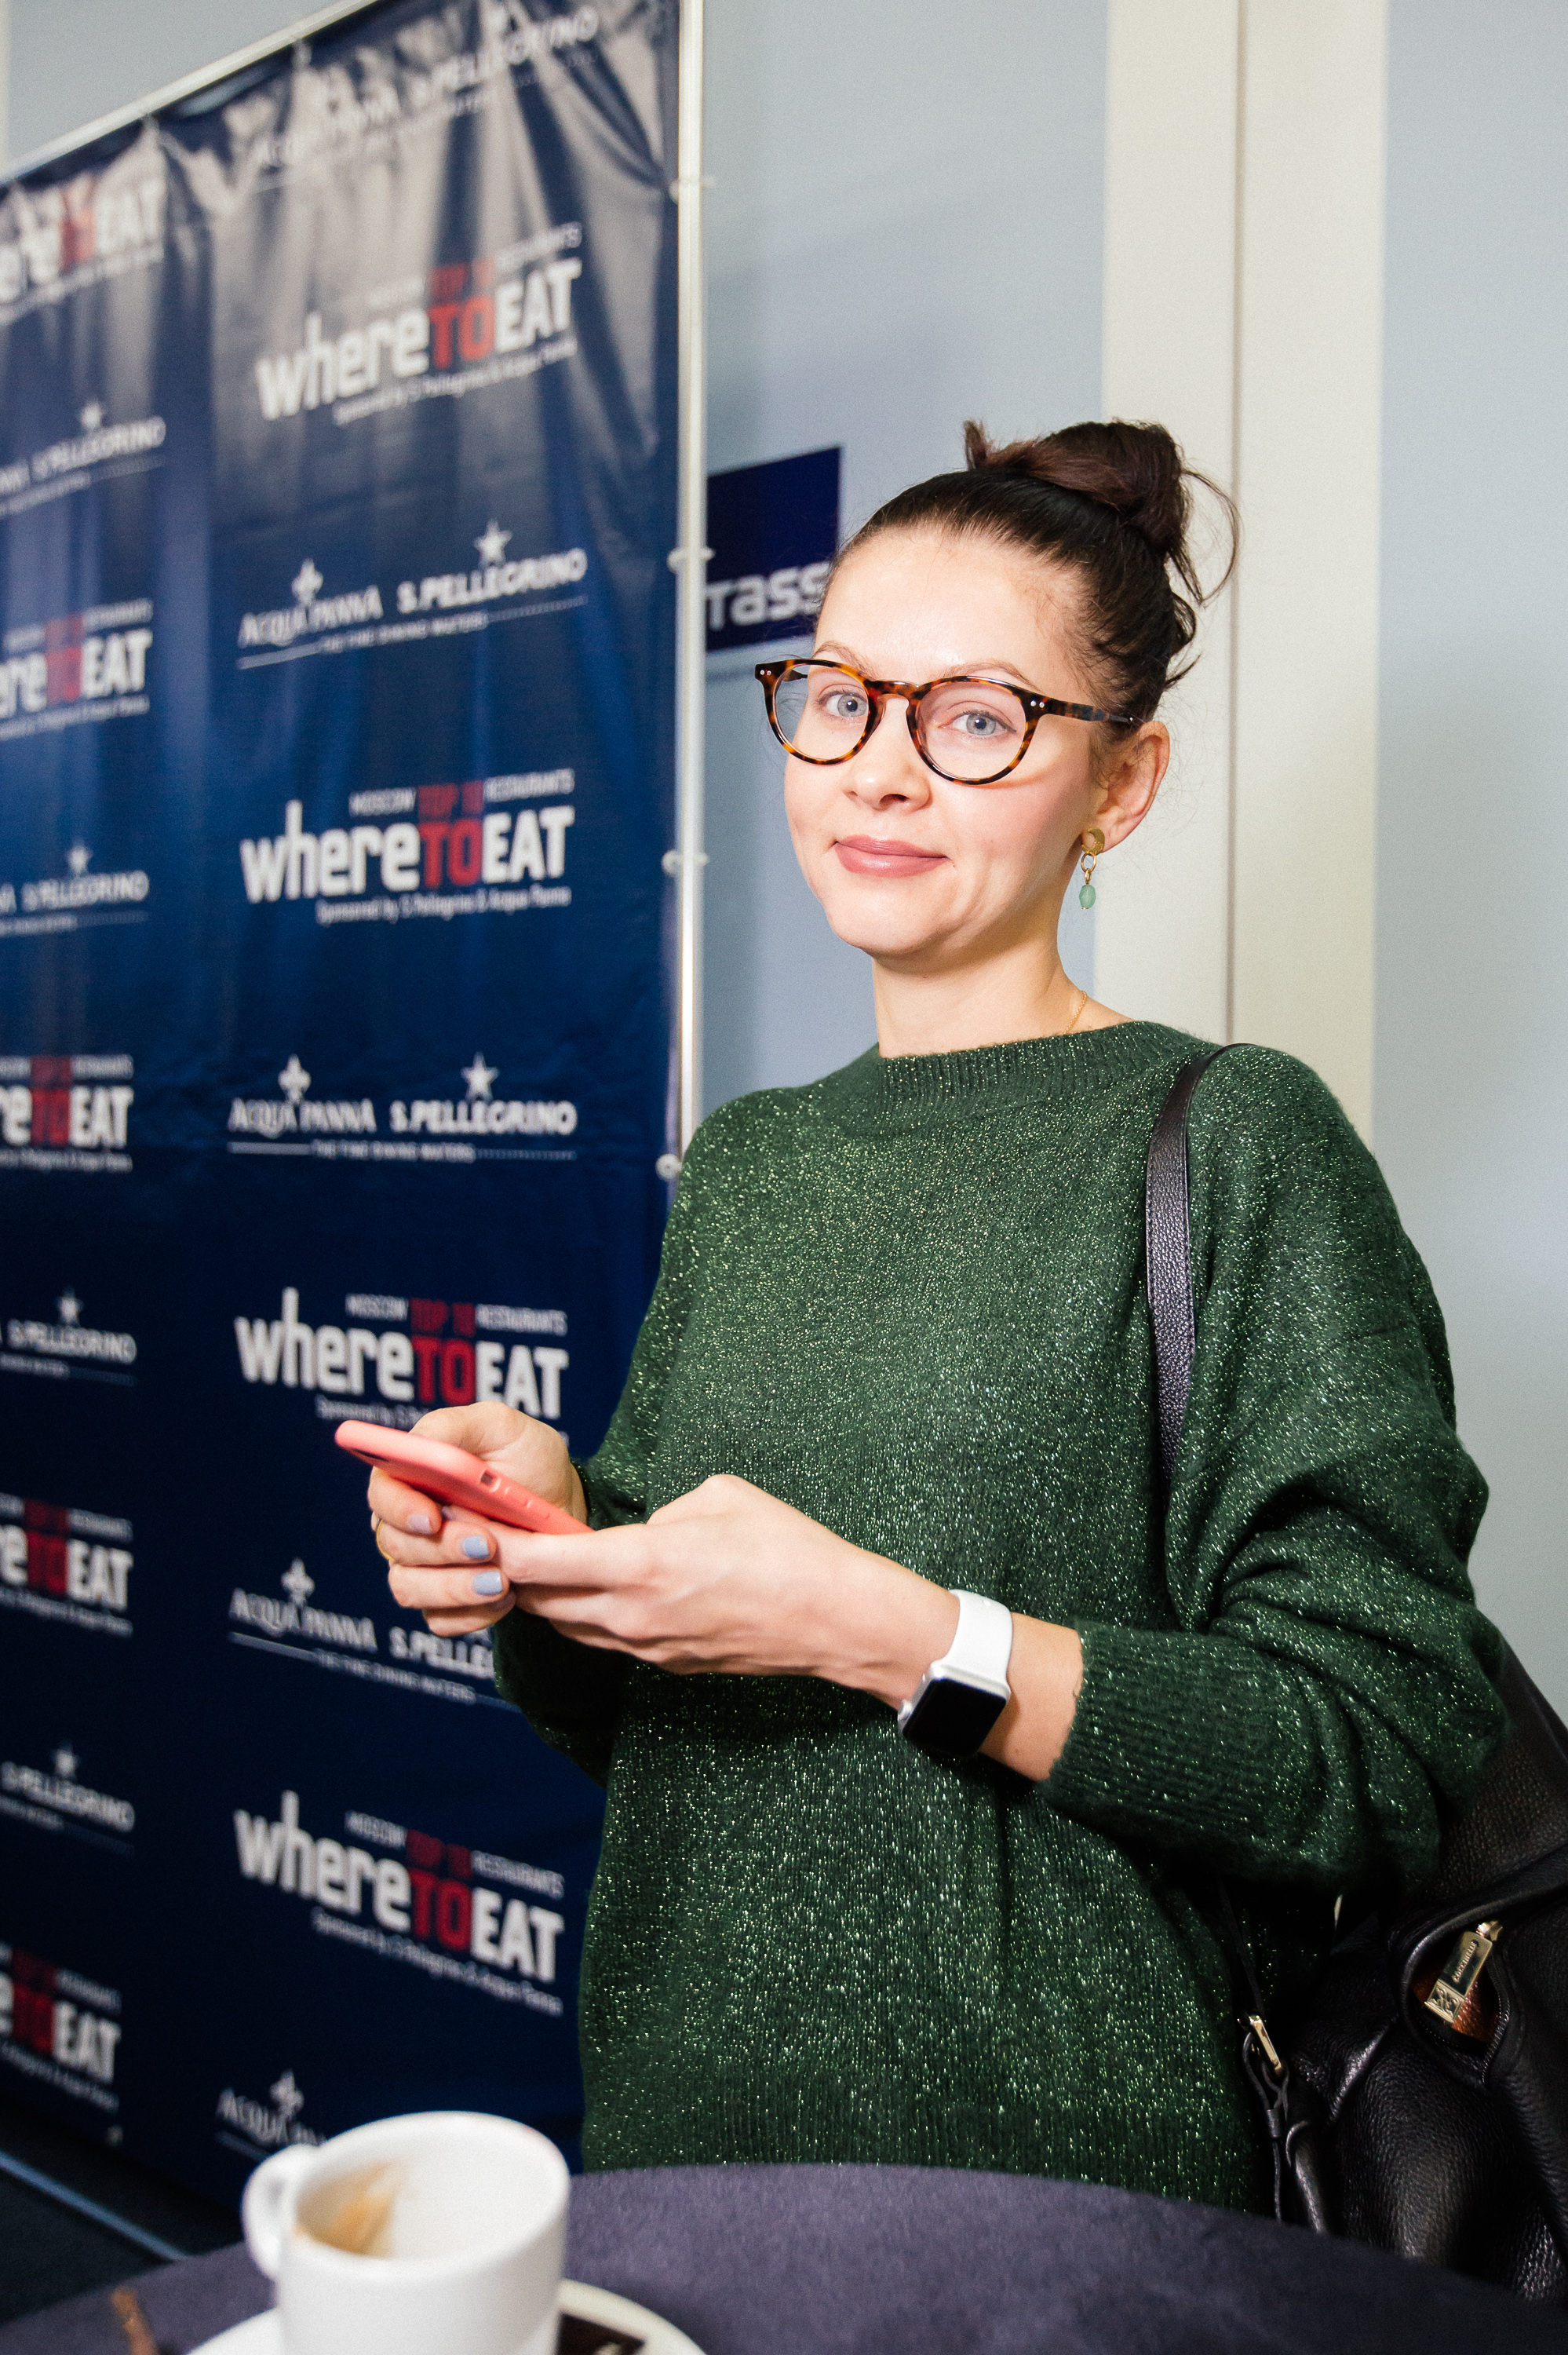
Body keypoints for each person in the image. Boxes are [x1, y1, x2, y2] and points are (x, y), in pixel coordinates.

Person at [369, 419, 1504, 2212]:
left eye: (974, 720)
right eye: (839, 698)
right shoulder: (755, 1159)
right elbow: (643, 1724)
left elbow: (1367, 1756)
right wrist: (551, 1544)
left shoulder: (1233, 1140)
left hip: (1061, 2203)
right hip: (684, 2149)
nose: (878, 773)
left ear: (1120, 785)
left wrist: (890, 1631)